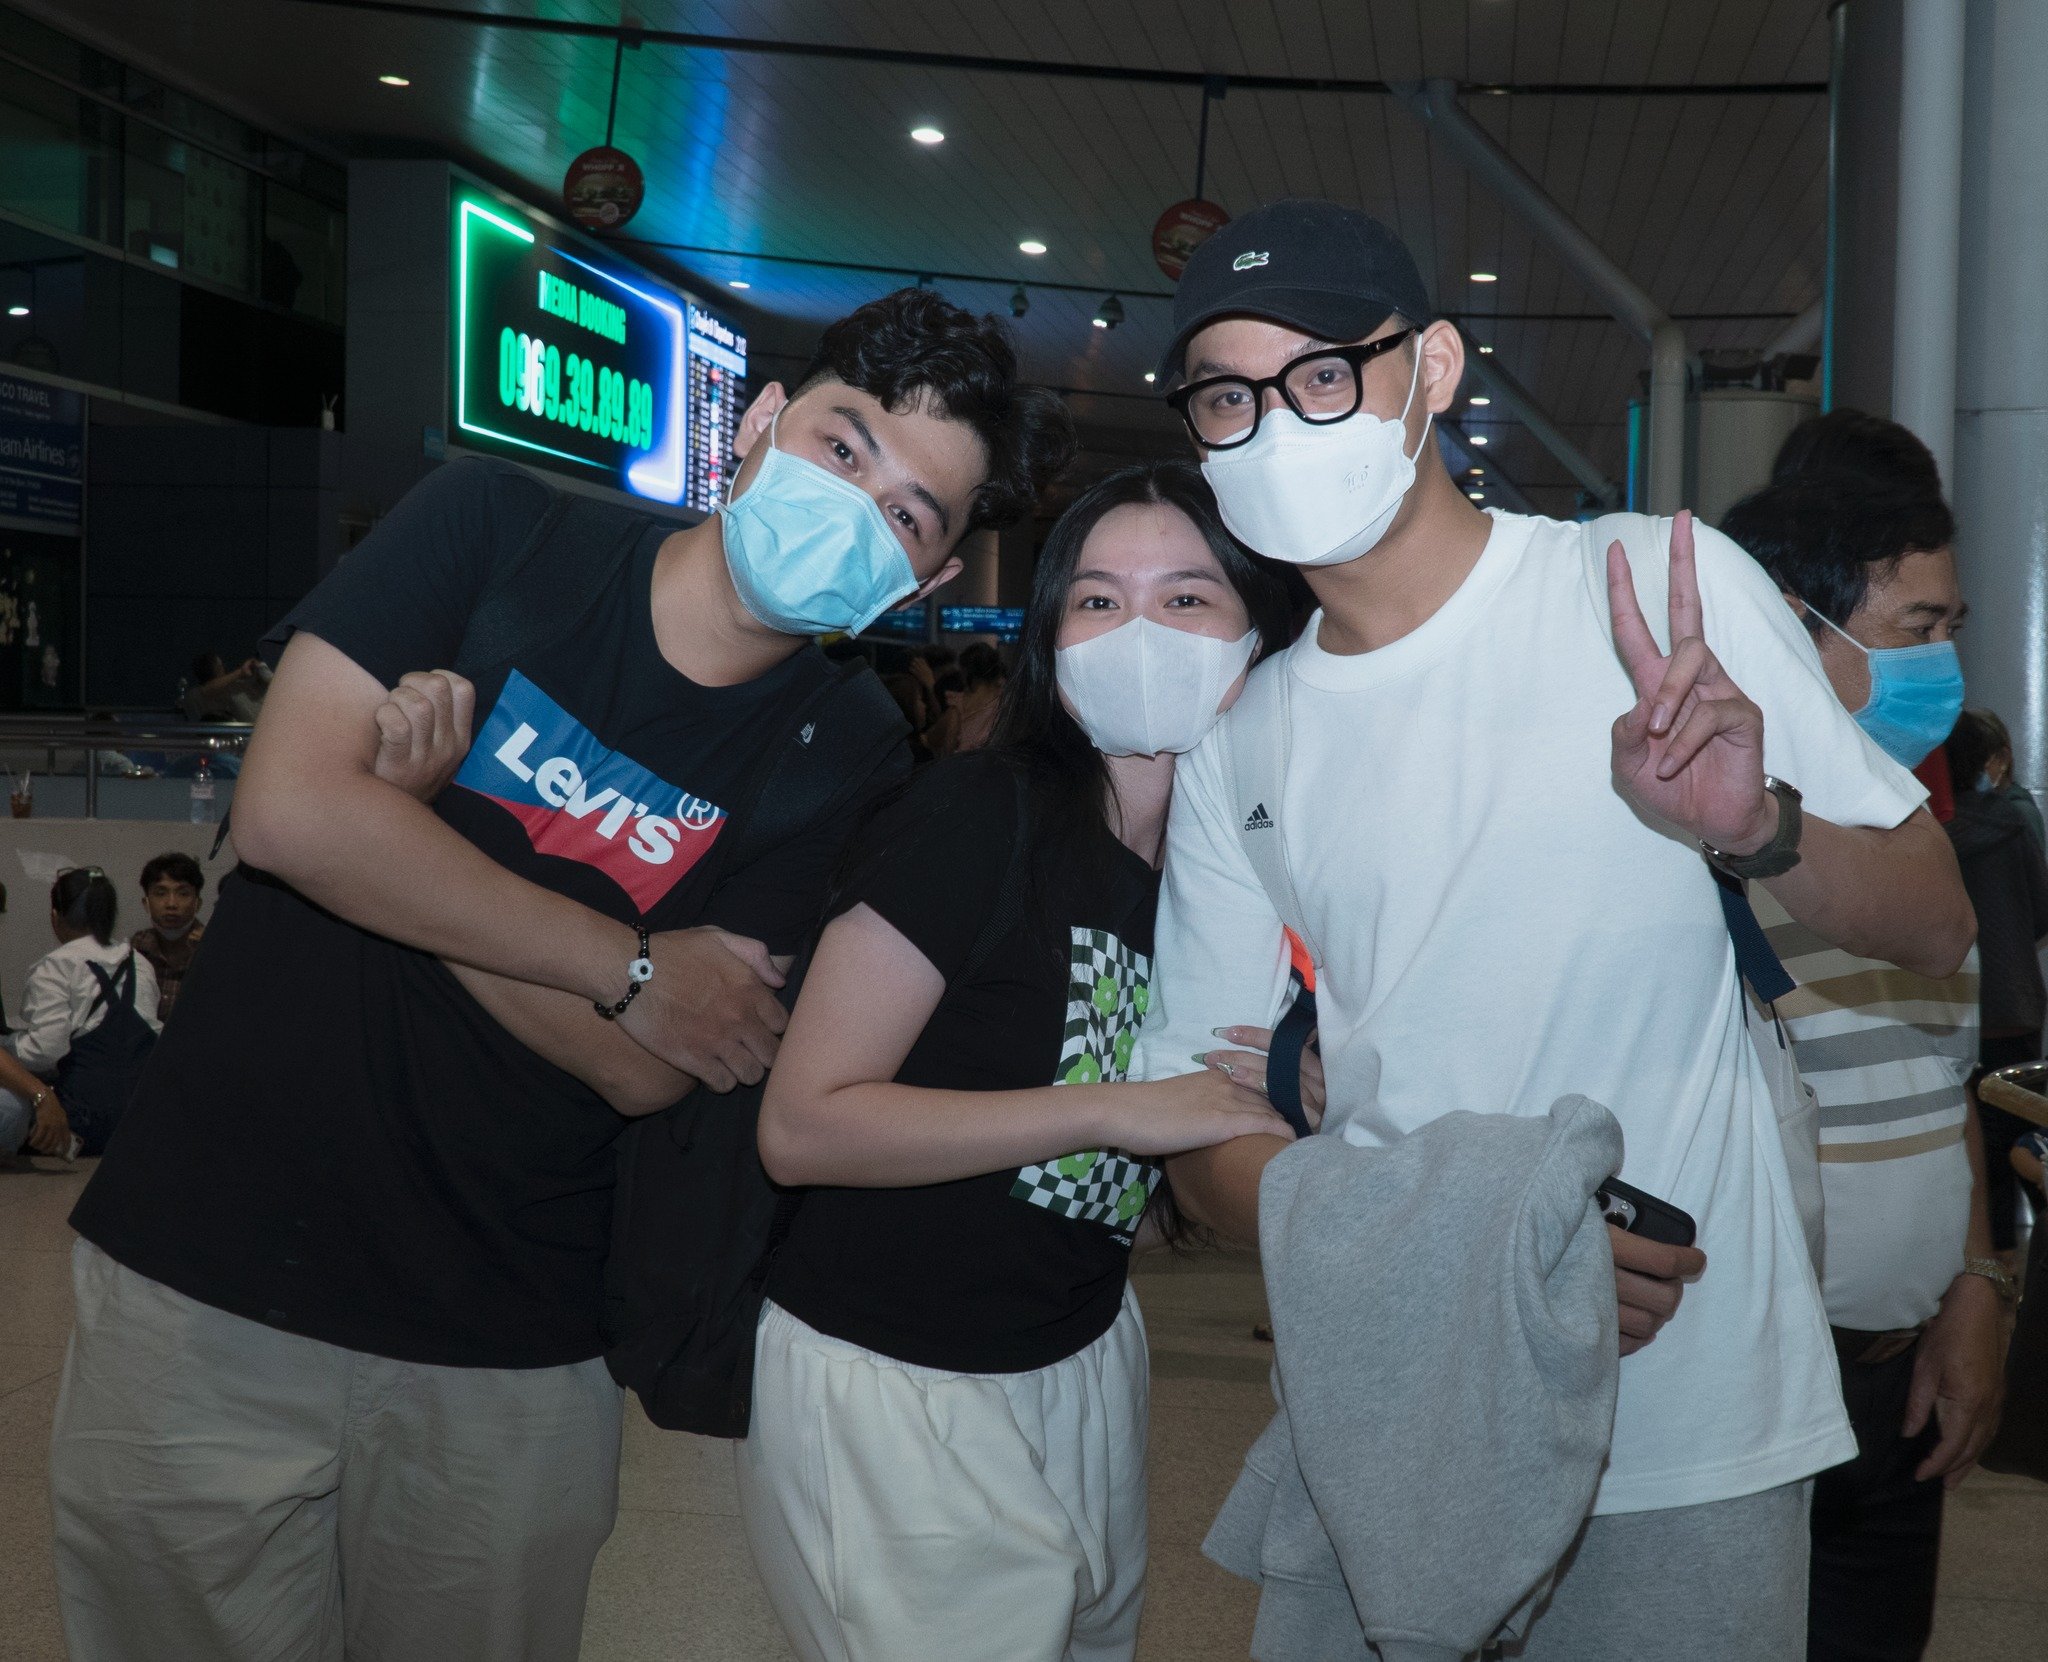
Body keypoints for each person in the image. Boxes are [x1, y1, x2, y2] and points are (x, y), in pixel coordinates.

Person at [48, 287, 1074, 1662]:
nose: (855, 507)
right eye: (843, 447)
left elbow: (657, 1064)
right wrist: (626, 961)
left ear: (926, 584)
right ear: (761, 421)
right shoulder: (496, 529)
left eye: (907, 515)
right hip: (203, 1264)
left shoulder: (844, 752)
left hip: (510, 1337)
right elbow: (289, 817)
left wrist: (405, 828)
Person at [1136, 200, 1974, 1662]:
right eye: (1226, 396)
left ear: (1431, 367)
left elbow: (1935, 923)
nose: (1272, 425)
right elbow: (1198, 1129)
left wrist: (1755, 825)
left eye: (1320, 374)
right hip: (1388, 1414)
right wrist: (1464, 1248)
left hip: (1688, 1421)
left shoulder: (1646, 586)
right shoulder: (1243, 739)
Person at [738, 461, 1300, 1662]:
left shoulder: (1226, 883)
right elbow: (804, 1124)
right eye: (1095, 600)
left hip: (1082, 1346)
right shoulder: (975, 816)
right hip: (895, 1371)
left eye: (1186, 598)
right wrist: (1110, 1109)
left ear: (1260, 631)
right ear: (1047, 638)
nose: (1138, 631)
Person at [1721, 433, 2007, 1662]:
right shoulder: (1702, 835)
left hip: (1892, 1383)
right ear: (1792, 623)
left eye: (1949, 627)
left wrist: (1974, 1285)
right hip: (1740, 1387)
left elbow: (1940, 1088)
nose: (1939, 663)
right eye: (1911, 628)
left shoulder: (1908, 831)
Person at [1945, 708, 2048, 1256]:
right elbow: (2041, 912)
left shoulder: (1921, 834)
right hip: (2016, 1003)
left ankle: (1993, 1265)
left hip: (1957, 1011)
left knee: (1977, 1150)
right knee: (2027, 1136)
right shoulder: (2012, 821)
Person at [8, 867, 161, 1157]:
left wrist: (9, 1047)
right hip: (142, 1121)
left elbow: (44, 1051)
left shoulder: (56, 966)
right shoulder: (140, 962)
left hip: (83, 1120)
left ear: (55, 916)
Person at [131, 850, 207, 1020]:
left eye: (183, 893)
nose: (171, 903)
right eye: (161, 893)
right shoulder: (134, 950)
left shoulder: (215, 949)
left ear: (198, 903)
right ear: (146, 903)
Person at [1964, 707, 2044, 851]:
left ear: (2003, 759)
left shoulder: (2021, 812)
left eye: (1979, 759)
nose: (1972, 769)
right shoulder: (1969, 810)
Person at [931, 638, 1005, 756]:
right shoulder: (1008, 704)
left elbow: (938, 743)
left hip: (961, 765)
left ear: (965, 672)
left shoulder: (958, 706)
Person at [182, 649, 269, 722]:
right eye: (219, 666)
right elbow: (207, 690)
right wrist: (241, 672)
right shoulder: (194, 696)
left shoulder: (239, 685)